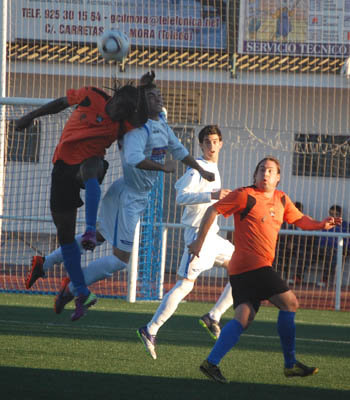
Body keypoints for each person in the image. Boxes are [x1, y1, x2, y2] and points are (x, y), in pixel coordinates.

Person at [27, 72, 215, 320]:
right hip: (130, 199)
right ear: (141, 103)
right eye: (152, 96)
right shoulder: (138, 131)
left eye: (159, 94)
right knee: (120, 261)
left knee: (97, 237)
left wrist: (201, 169)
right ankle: (71, 287)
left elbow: (180, 152)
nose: (159, 98)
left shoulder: (161, 123)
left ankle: (45, 262)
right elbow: (134, 159)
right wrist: (163, 168)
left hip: (122, 190)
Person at [188, 156, 341, 384]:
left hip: (245, 270)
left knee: (243, 318)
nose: (265, 174)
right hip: (252, 265)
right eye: (261, 170)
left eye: (270, 171)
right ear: (255, 175)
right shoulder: (244, 195)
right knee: (290, 303)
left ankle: (211, 363)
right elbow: (212, 211)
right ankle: (290, 364)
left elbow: (299, 219)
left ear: (278, 177)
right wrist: (199, 242)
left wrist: (321, 224)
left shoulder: (281, 199)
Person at [16, 75, 149, 321]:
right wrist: (30, 116)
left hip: (90, 167)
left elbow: (147, 116)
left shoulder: (123, 124)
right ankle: (68, 283)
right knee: (66, 239)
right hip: (62, 169)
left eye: (127, 112)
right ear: (115, 97)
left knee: (92, 167)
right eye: (121, 107)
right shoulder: (92, 95)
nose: (120, 114)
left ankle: (88, 231)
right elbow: (59, 103)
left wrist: (145, 88)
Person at [136, 125, 234, 360]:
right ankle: (151, 329)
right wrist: (212, 195)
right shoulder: (196, 170)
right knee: (184, 287)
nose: (211, 146)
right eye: (207, 142)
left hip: (213, 236)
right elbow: (180, 197)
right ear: (200, 145)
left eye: (215, 141)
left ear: (221, 144)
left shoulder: (213, 168)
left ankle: (213, 316)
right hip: (197, 236)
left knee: (244, 267)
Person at [318, 205, 349, 287]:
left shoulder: (345, 225)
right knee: (329, 253)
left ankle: (325, 279)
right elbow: (322, 239)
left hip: (338, 250)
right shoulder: (326, 223)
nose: (333, 216)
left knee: (332, 255)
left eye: (336, 214)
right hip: (325, 249)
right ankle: (325, 279)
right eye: (331, 214)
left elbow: (346, 241)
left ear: (340, 215)